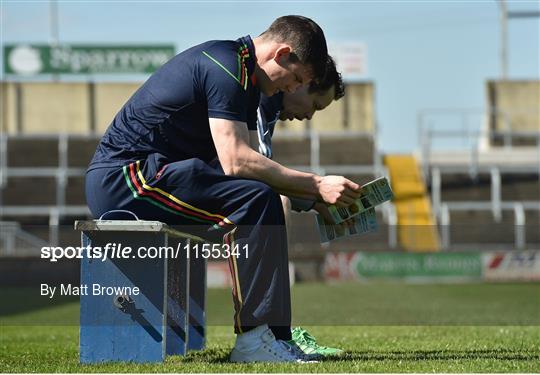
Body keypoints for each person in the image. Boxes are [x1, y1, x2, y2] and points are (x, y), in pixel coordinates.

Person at [85, 15, 361, 363]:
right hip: (124, 180)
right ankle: (254, 340)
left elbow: (234, 169)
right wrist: (317, 184)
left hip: (153, 175)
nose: (292, 90)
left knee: (261, 199)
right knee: (256, 201)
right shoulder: (226, 66)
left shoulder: (243, 78)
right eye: (295, 79)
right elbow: (236, 162)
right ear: (282, 54)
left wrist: (310, 197)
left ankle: (273, 338)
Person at [255, 55, 346, 357]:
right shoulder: (259, 101)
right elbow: (255, 174)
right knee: (273, 202)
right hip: (175, 186)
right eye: (316, 105)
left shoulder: (267, 108)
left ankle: (276, 332)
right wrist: (315, 193)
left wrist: (314, 202)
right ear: (301, 84)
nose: (310, 116)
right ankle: (271, 334)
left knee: (275, 199)